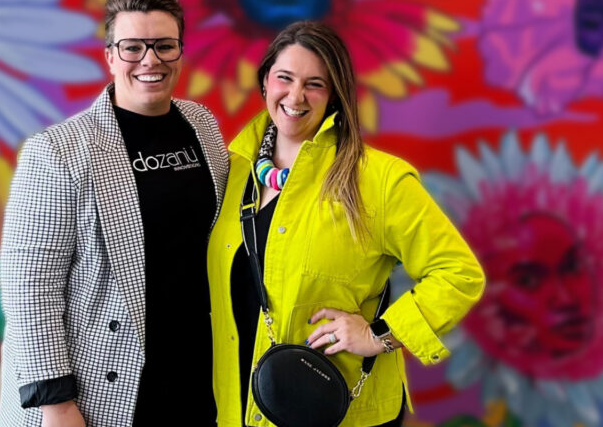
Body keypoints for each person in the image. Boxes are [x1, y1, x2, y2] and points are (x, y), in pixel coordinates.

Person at [207, 21, 485, 427]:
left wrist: (379, 335)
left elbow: (459, 273)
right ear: (265, 81)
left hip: (340, 412)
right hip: (238, 406)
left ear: (334, 95)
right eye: (285, 78)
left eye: (315, 84)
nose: (296, 96)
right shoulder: (231, 172)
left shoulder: (380, 180)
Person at [0, 0, 229, 427]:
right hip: (99, 386)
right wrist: (56, 403)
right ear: (109, 56)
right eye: (133, 47)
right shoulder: (58, 151)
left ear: (180, 51)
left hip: (195, 375)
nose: (150, 60)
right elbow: (29, 288)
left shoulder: (202, 126)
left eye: (164, 46)